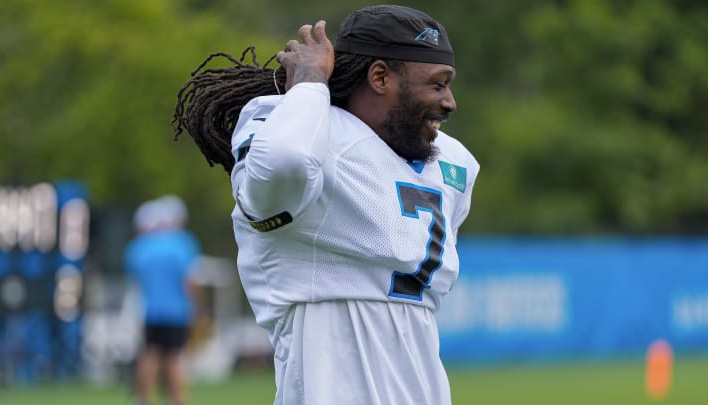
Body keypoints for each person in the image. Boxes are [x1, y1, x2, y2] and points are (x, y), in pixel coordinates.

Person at [172, 5, 479, 404]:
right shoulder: (295, 130)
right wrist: (310, 84)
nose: (450, 102)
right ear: (380, 77)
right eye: (437, 85)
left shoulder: (452, 163)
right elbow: (284, 162)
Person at [125, 195, 203, 405]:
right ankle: (176, 399)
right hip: (177, 310)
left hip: (150, 310)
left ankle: (141, 398)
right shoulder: (182, 243)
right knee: (174, 357)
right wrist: (197, 307)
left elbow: (136, 283)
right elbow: (191, 280)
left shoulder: (140, 246)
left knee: (150, 353)